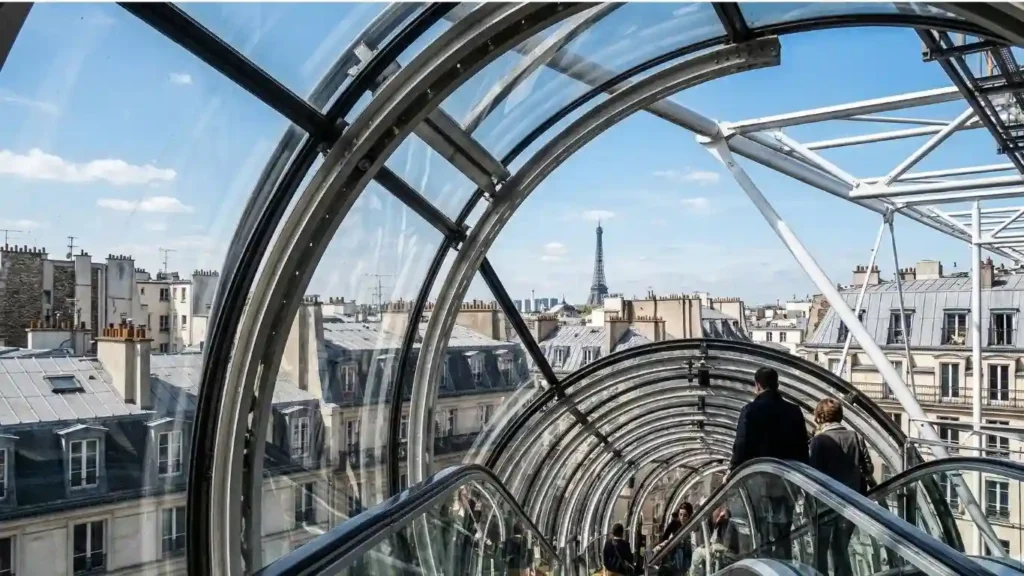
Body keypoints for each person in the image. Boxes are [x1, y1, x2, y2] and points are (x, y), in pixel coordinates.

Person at [730, 367, 809, 561]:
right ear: (777, 384)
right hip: (786, 483)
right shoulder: (794, 411)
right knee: (784, 532)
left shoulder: (750, 411)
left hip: (758, 484)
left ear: (757, 385)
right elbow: (802, 448)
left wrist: (732, 471)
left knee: (762, 531)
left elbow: (741, 445)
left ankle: (766, 565)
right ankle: (784, 566)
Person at [809, 398, 874, 576]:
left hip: (825, 504)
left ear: (820, 417)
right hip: (851, 502)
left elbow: (813, 474)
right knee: (841, 546)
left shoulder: (819, 441)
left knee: (820, 550)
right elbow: (868, 469)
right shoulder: (855, 437)